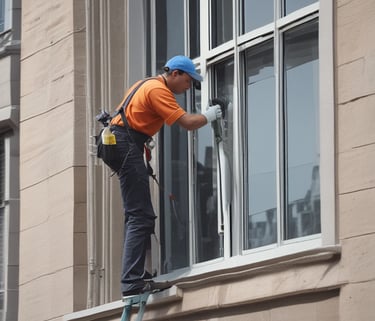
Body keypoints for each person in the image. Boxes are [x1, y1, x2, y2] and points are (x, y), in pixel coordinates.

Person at [109, 55, 222, 296]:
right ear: (175, 74)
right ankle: (132, 282)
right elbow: (188, 123)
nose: (189, 87)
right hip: (124, 145)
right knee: (140, 216)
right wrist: (213, 114)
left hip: (122, 144)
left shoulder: (145, 83)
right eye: (188, 81)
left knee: (137, 215)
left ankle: (136, 278)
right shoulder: (158, 90)